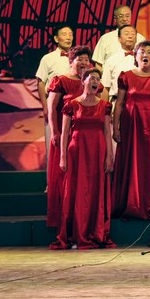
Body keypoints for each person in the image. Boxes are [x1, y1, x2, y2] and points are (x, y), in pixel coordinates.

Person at [50, 69, 114, 250]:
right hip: (77, 151)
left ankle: (95, 232)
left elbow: (107, 132)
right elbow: (64, 133)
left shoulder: (105, 105)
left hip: (98, 150)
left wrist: (110, 156)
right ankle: (75, 233)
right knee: (76, 190)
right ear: (83, 81)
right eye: (92, 78)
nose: (95, 81)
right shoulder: (71, 104)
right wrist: (62, 157)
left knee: (95, 190)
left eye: (98, 79)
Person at [112, 40, 150, 219]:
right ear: (135, 56)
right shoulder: (126, 76)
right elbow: (119, 103)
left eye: (149, 52)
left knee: (149, 161)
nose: (146, 55)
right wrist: (116, 127)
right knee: (131, 160)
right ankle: (129, 202)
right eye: (142, 51)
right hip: (131, 124)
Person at [45, 46, 92, 227]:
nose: (84, 63)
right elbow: (51, 107)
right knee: (63, 173)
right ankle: (63, 214)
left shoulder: (90, 81)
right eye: (80, 59)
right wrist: (54, 131)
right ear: (71, 61)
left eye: (86, 60)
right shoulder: (61, 80)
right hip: (64, 134)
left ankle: (81, 212)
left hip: (84, 136)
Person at [91, 5, 144, 70]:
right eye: (121, 16)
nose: (124, 19)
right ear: (115, 19)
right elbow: (98, 64)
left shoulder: (140, 39)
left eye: (127, 16)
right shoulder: (105, 38)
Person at [36, 25, 74, 105]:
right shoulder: (47, 58)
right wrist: (45, 106)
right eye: (64, 34)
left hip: (73, 104)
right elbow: (41, 83)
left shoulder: (77, 58)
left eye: (70, 35)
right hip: (53, 104)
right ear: (56, 39)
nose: (68, 38)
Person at [100, 25, 138, 102]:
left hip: (137, 102)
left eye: (133, 34)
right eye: (126, 34)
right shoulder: (111, 60)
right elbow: (106, 87)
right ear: (119, 39)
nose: (130, 36)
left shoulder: (142, 59)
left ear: (136, 39)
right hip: (116, 101)